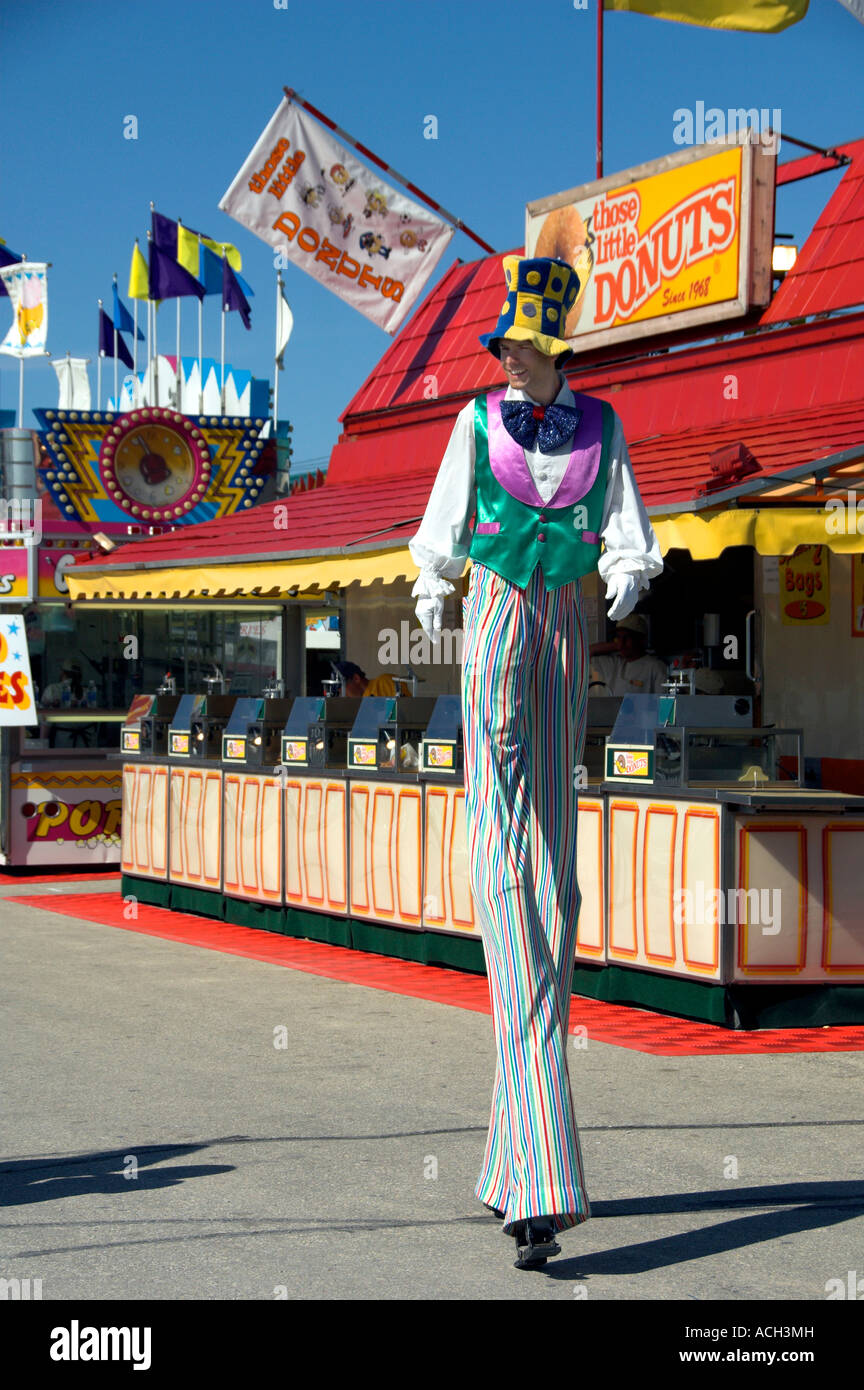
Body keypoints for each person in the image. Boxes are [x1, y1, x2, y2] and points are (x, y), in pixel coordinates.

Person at [409, 255, 662, 1269]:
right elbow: (442, 525)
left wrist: (626, 567)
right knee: (508, 867)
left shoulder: (602, 428)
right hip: (498, 614)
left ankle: (518, 1162)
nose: (512, 361)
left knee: (551, 881)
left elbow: (625, 524)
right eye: (505, 347)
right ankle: (539, 1180)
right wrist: (434, 583)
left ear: (557, 354)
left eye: (526, 348)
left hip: (563, 624)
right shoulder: (475, 423)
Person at [588, 613, 668, 696]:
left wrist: (621, 644)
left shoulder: (656, 667)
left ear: (641, 639)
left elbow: (663, 702)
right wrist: (618, 645)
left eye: (627, 637)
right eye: (618, 637)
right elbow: (588, 651)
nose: (621, 643)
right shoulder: (615, 664)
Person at [332, 660, 402, 698]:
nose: (342, 694)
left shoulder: (384, 682)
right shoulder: (357, 707)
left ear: (356, 678)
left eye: (342, 686)